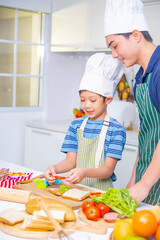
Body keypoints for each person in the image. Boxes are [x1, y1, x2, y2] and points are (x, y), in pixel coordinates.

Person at [104, 0, 160, 205]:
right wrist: (134, 181)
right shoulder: (141, 76)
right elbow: (146, 133)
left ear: (135, 35)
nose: (114, 54)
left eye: (115, 45)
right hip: (149, 179)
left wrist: (144, 184)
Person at [45, 53, 126, 190]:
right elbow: (70, 162)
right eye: (83, 99)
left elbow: (108, 170)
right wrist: (54, 168)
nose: (87, 105)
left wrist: (84, 172)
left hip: (100, 193)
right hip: (76, 190)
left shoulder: (116, 130)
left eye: (93, 100)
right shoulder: (76, 125)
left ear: (108, 100)